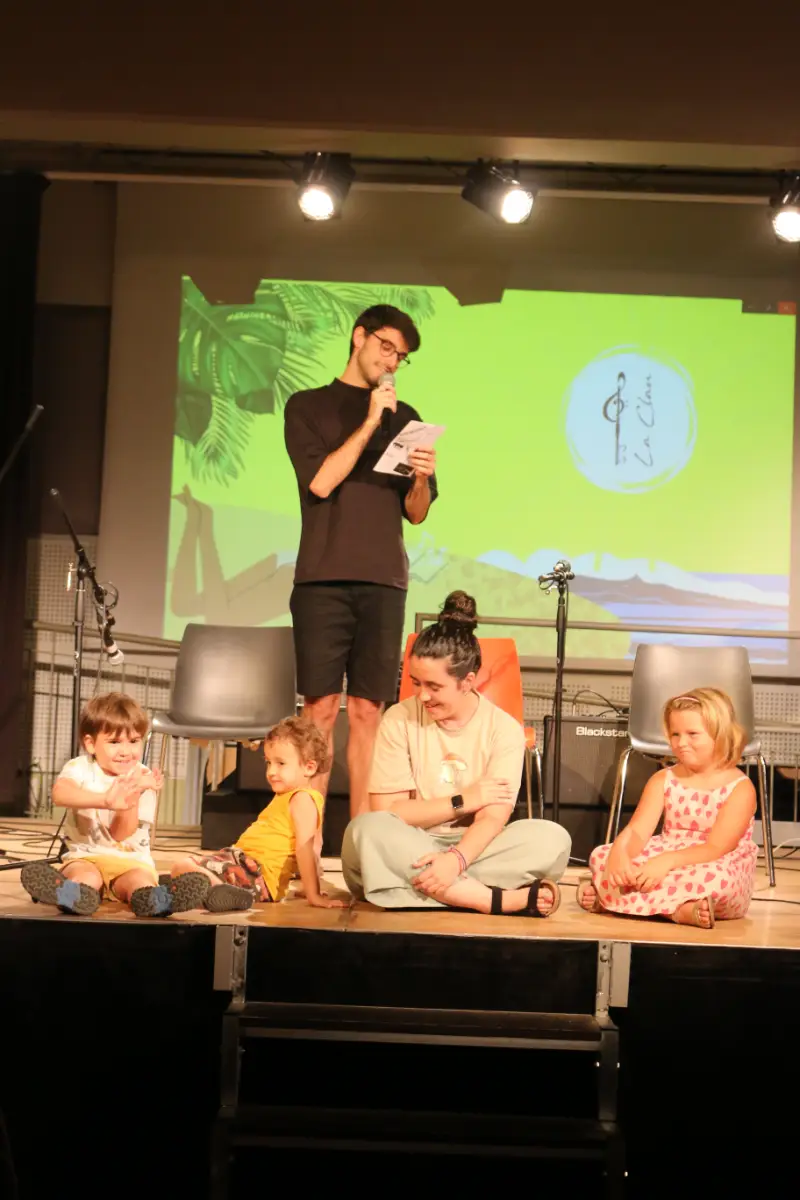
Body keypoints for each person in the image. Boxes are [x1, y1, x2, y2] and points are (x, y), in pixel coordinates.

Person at [284, 304, 438, 819]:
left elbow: (417, 513)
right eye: (386, 347)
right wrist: (372, 419)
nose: (392, 361)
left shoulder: (407, 417)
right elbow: (321, 482)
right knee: (320, 712)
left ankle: (362, 845)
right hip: (323, 581)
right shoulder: (307, 406)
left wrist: (421, 477)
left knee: (371, 711)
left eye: (401, 356)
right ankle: (305, 843)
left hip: (384, 581)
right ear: (359, 337)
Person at [341, 591, 571, 915]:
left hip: (473, 849)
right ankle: (489, 899)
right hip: (410, 842)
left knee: (552, 839)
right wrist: (464, 800)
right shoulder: (398, 719)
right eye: (415, 683)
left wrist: (455, 861)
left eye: (434, 687)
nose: (422, 696)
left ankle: (417, 888)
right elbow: (389, 812)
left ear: (467, 682)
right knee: (366, 830)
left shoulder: (504, 729)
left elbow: (492, 818)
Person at [577, 688, 758, 929]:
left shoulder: (740, 788)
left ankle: (612, 899)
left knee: (717, 879)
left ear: (720, 734)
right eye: (675, 734)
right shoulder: (662, 779)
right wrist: (621, 852)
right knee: (602, 856)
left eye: (693, 734)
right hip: (666, 850)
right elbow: (637, 831)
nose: (681, 743)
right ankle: (675, 909)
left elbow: (716, 848)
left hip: (709, 860)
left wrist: (666, 862)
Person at [20, 693, 208, 919]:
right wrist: (105, 800)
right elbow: (60, 794)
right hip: (85, 856)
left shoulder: (142, 777)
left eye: (134, 741)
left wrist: (133, 795)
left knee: (139, 881)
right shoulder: (80, 767)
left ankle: (157, 900)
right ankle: (71, 896)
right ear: (91, 744)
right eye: (114, 742)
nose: (126, 751)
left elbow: (120, 834)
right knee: (86, 877)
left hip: (131, 862)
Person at [169, 716, 347, 910]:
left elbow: (305, 849)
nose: (271, 771)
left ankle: (225, 893)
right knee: (181, 868)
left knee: (184, 867)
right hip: (241, 862)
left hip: (258, 875)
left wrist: (313, 893)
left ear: (309, 767)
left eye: (280, 763)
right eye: (269, 763)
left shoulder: (303, 799)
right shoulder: (286, 796)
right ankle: (207, 890)